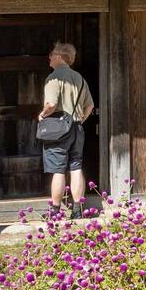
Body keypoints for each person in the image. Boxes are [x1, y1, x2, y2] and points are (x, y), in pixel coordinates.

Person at [39, 43, 95, 218]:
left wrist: (42, 115)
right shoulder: (80, 79)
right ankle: (77, 210)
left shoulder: (54, 78)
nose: (49, 57)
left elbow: (51, 104)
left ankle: (55, 212)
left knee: (58, 169)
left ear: (59, 56)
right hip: (77, 126)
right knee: (76, 166)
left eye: (52, 54)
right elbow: (90, 106)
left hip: (59, 128)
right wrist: (79, 121)